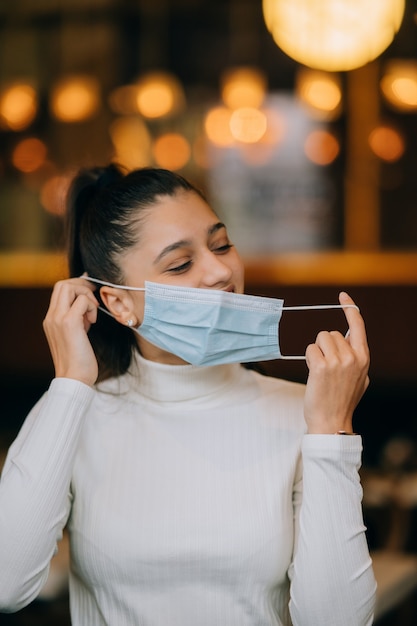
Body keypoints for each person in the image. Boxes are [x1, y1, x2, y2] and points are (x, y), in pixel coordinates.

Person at [0, 164, 376, 625]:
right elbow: (6, 585)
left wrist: (330, 432)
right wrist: (72, 383)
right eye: (180, 264)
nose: (220, 271)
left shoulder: (302, 411)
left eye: (222, 245)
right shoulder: (76, 415)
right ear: (118, 303)